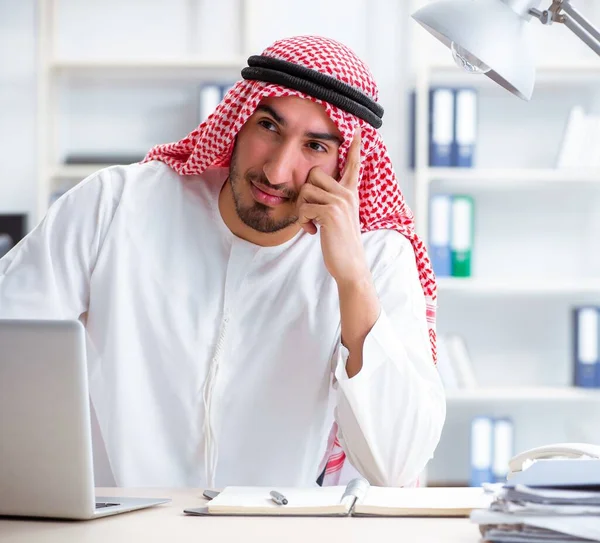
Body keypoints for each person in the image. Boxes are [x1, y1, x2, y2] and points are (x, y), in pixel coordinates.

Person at [0, 35, 445, 488]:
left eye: (315, 146)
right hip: (119, 529)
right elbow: (8, 344)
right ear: (238, 120)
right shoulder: (116, 205)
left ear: (346, 162)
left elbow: (395, 465)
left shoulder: (377, 258)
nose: (276, 171)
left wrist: (352, 281)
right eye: (269, 127)